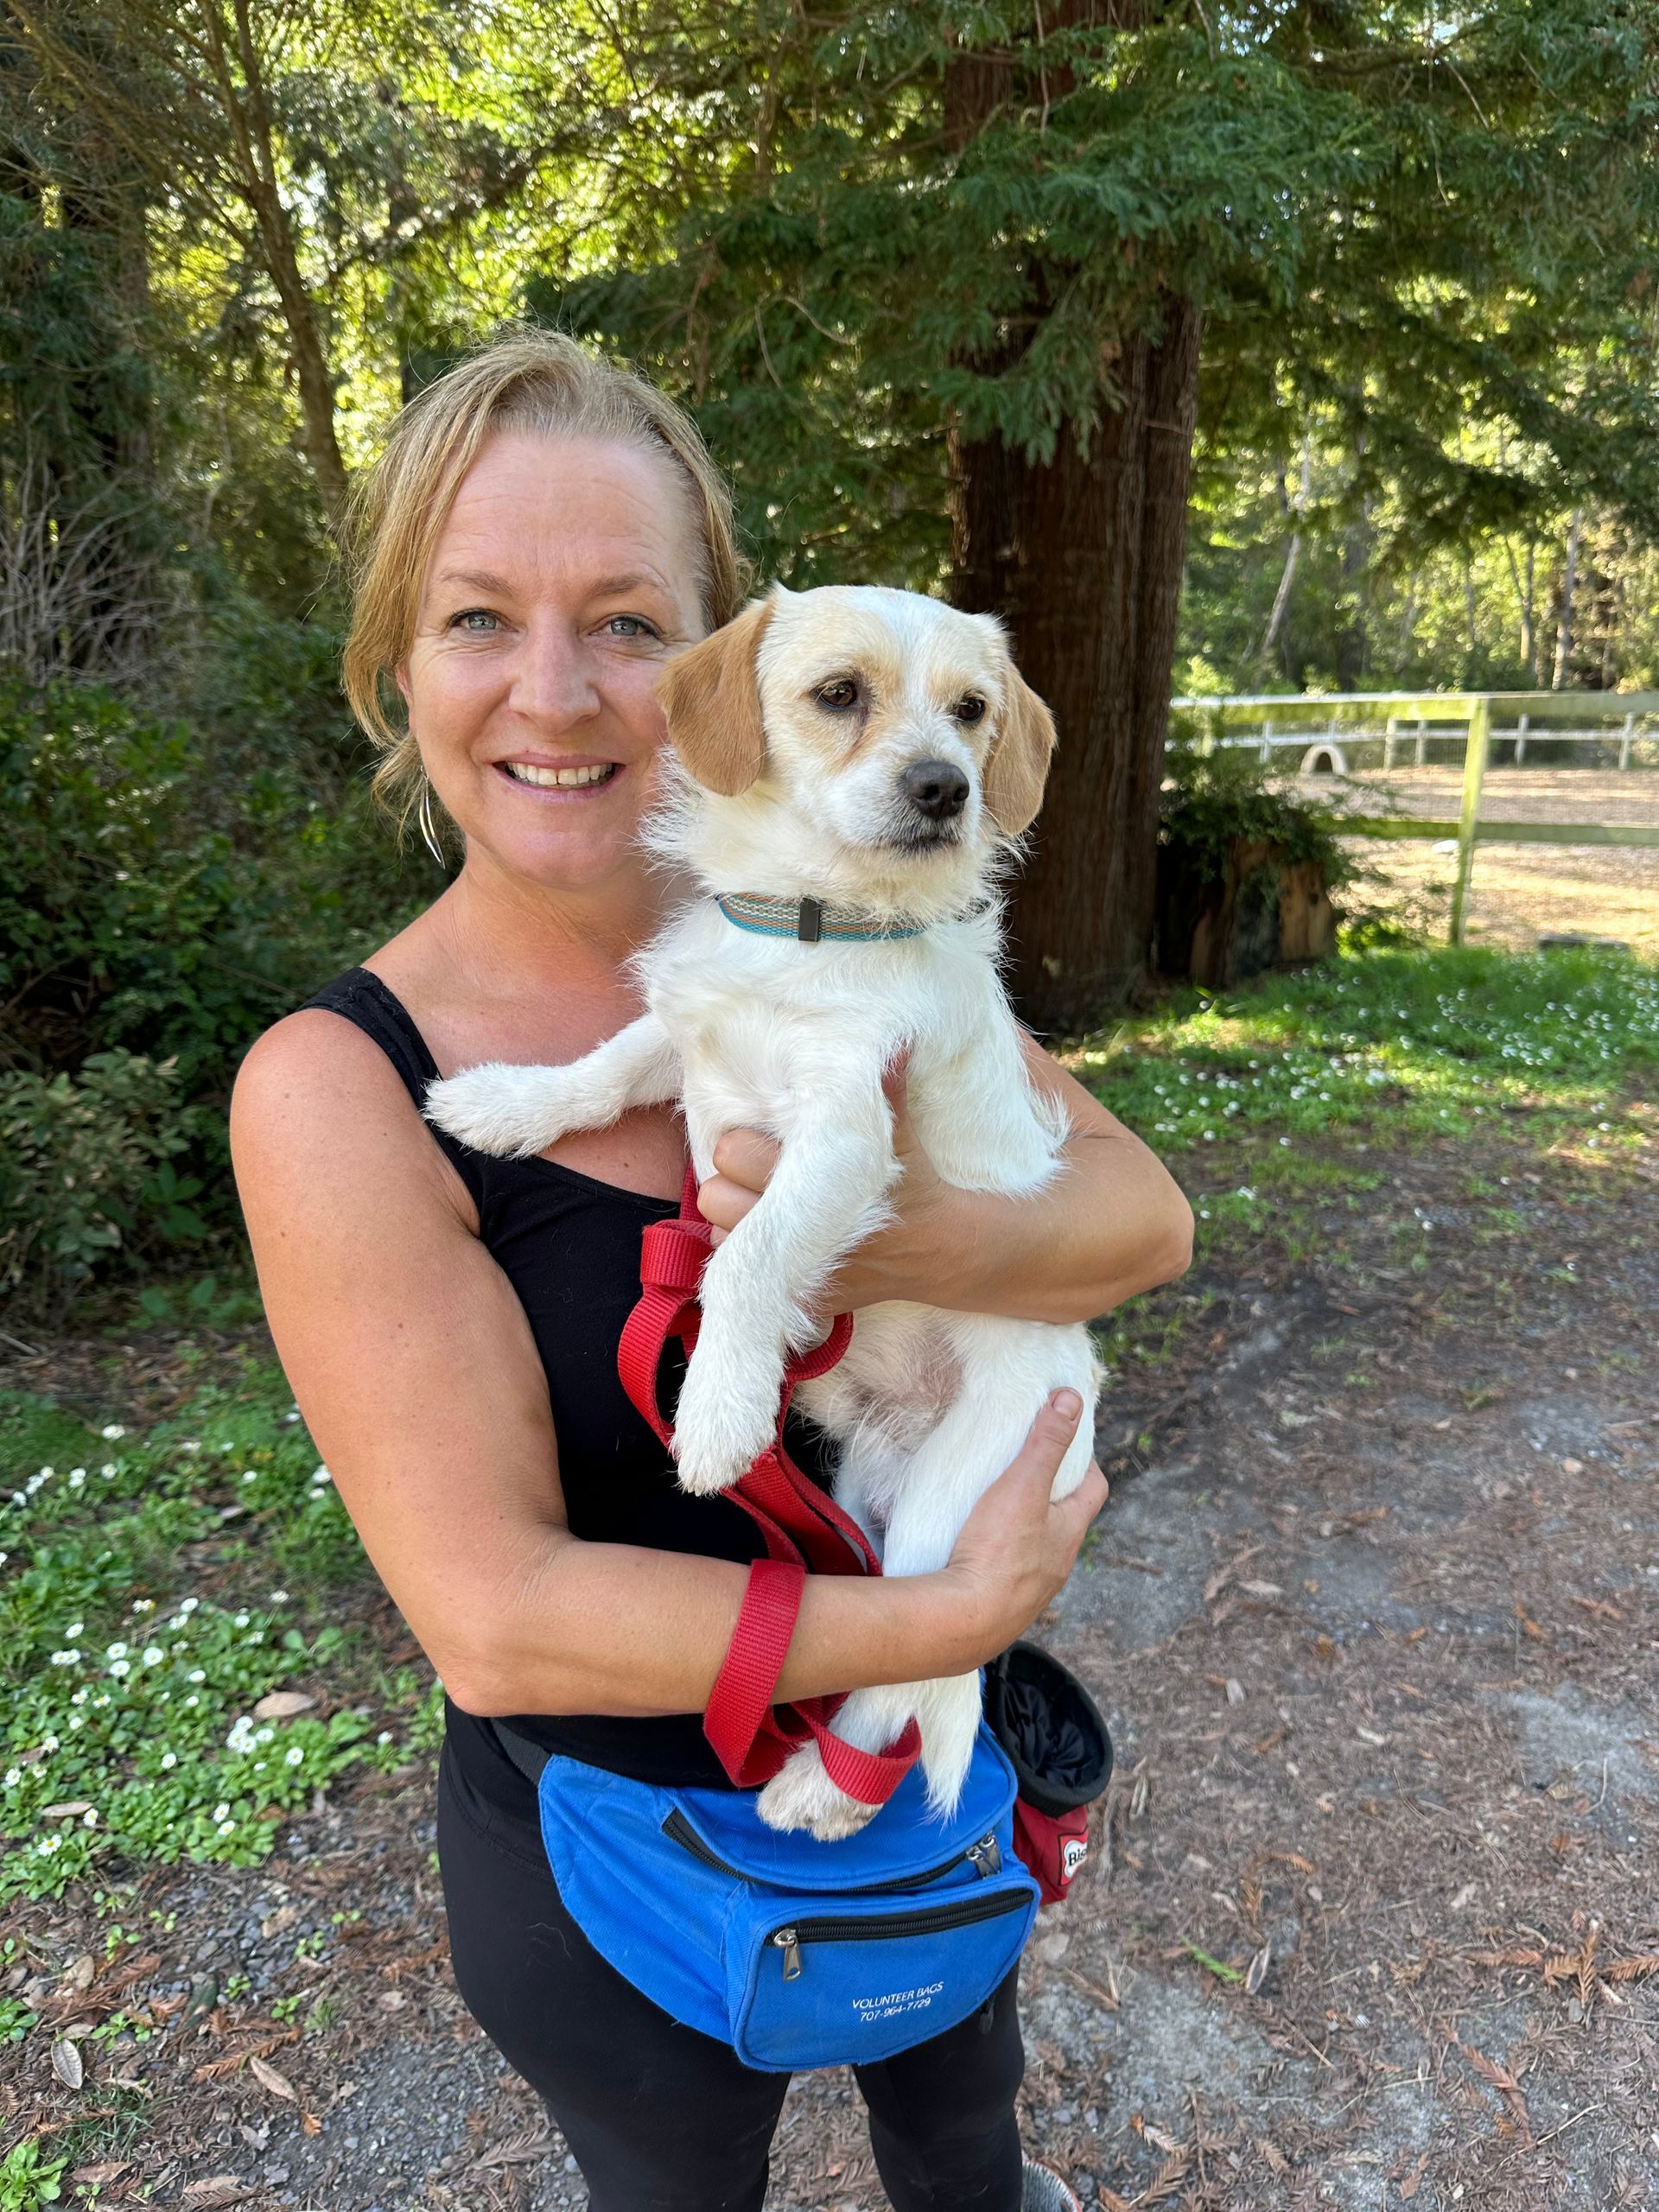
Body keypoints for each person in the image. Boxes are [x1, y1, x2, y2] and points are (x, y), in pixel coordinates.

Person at [231, 329, 1193, 2212]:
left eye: (625, 620)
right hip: (615, 1839)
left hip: (917, 1781)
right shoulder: (345, 1085)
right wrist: (940, 1625)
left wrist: (912, 1235)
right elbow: (496, 1615)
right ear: (395, 666)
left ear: (711, 667)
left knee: (967, 2135)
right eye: (477, 618)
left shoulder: (839, 915)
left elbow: (1146, 1216)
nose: (558, 689)